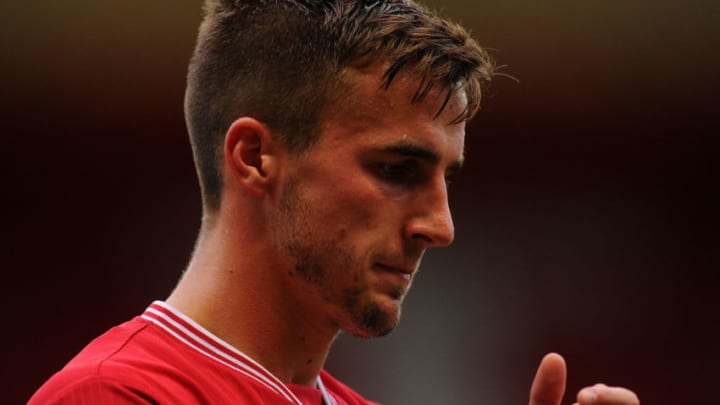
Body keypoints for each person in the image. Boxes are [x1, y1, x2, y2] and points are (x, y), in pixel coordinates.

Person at [30, 1, 640, 404]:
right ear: (255, 158)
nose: (442, 226)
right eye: (396, 170)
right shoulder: (117, 395)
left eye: (446, 179)